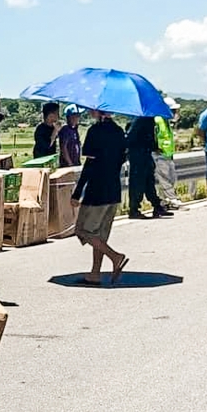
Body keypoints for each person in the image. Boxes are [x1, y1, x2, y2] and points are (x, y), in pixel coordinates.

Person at [71, 110, 129, 285]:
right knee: (100, 236)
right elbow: (121, 159)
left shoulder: (95, 131)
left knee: (83, 230)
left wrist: (77, 192)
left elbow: (89, 164)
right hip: (113, 189)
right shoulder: (119, 132)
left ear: (98, 111)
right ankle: (95, 273)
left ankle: (115, 257)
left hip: (97, 190)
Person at [126, 115, 172, 219]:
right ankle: (133, 210)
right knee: (138, 183)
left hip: (145, 154)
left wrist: (154, 147)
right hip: (138, 155)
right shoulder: (141, 120)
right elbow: (132, 138)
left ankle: (157, 206)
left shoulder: (148, 119)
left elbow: (149, 137)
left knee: (149, 181)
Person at [153, 97, 182, 210]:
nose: (175, 113)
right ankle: (171, 199)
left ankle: (167, 200)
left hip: (167, 154)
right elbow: (154, 134)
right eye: (173, 110)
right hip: (160, 154)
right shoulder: (158, 120)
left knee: (171, 177)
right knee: (164, 178)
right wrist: (156, 147)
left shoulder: (165, 121)